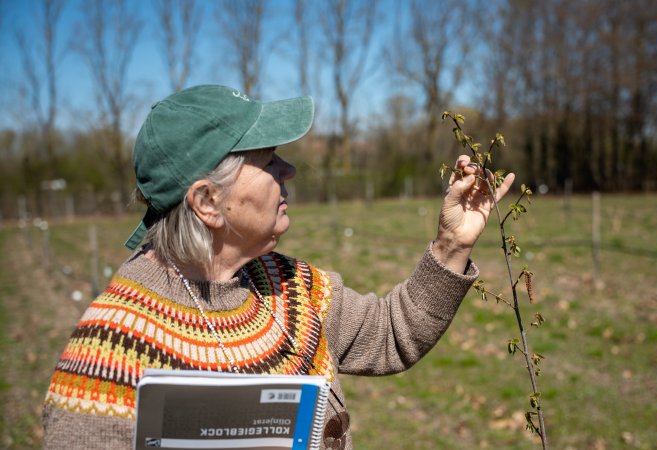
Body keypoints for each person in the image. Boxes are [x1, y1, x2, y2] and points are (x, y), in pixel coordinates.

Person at [41, 84, 514, 449]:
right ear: (208, 201)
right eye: (269, 160)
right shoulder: (106, 360)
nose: (288, 170)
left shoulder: (291, 287)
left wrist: (451, 245)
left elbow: (390, 334)